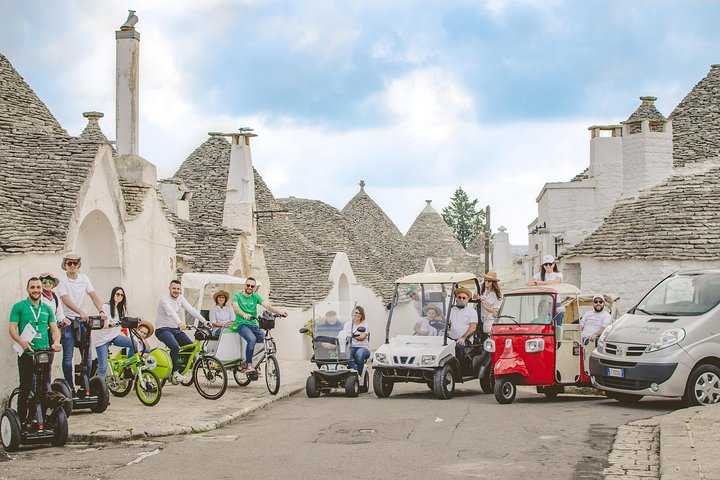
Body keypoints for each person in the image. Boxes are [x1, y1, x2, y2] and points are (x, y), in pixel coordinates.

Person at [8, 277, 62, 424]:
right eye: (33, 287)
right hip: (27, 353)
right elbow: (12, 328)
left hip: (44, 353)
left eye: (38, 287)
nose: (36, 290)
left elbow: (55, 330)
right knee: (25, 387)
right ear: (27, 290)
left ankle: (41, 419)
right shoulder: (19, 307)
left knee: (43, 389)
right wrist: (21, 341)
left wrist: (56, 342)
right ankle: (22, 421)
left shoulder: (47, 309)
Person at [55, 253, 107, 389]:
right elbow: (65, 300)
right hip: (68, 321)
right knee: (68, 356)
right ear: (65, 265)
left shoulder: (84, 279)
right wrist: (80, 312)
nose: (72, 266)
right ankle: (70, 387)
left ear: (78, 265)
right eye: (69, 263)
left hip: (82, 321)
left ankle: (86, 385)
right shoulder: (61, 280)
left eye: (75, 263)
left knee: (87, 355)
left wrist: (101, 311)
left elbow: (93, 295)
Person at [155, 279, 207, 383]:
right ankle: (174, 373)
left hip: (175, 329)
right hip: (162, 329)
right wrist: (180, 323)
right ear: (169, 288)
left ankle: (180, 367)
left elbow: (191, 309)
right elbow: (171, 312)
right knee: (174, 346)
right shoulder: (164, 300)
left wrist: (204, 321)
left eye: (178, 289)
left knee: (191, 347)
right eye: (174, 288)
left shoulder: (180, 298)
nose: (176, 290)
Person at [231, 277, 287, 373]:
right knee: (252, 339)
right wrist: (243, 314)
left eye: (252, 286)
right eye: (248, 285)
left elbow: (267, 305)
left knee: (266, 341)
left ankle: (256, 362)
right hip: (241, 325)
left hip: (254, 325)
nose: (250, 287)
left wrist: (279, 311)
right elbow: (235, 308)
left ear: (254, 287)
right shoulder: (237, 296)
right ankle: (249, 365)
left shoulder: (255, 296)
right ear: (245, 285)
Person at [95, 287, 136, 379]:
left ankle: (127, 368)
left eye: (122, 295)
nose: (120, 296)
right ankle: (99, 389)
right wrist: (111, 324)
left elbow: (125, 323)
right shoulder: (105, 307)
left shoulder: (120, 309)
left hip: (114, 337)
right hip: (102, 340)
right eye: (117, 294)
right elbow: (102, 325)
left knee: (134, 343)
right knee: (103, 368)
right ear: (113, 294)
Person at [39, 272, 65, 381]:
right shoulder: (39, 297)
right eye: (44, 282)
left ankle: (46, 386)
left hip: (52, 331)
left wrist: (63, 320)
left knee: (48, 361)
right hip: (41, 332)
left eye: (50, 282)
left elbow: (59, 313)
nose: (47, 284)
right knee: (39, 360)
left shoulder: (54, 297)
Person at [447, 287, 478, 352]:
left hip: (465, 339)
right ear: (456, 298)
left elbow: (473, 328)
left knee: (458, 347)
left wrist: (463, 337)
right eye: (459, 297)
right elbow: (447, 323)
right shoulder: (451, 310)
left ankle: (458, 362)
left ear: (468, 299)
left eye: (464, 298)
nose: (461, 299)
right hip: (450, 339)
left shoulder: (471, 311)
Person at [342, 306, 370, 371]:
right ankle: (354, 372)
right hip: (351, 347)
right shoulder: (347, 324)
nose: (357, 315)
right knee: (346, 353)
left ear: (362, 315)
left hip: (363, 348)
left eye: (360, 313)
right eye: (356, 312)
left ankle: (360, 374)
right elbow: (343, 335)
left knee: (359, 354)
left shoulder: (365, 325)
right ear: (352, 313)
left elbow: (362, 337)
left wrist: (351, 335)